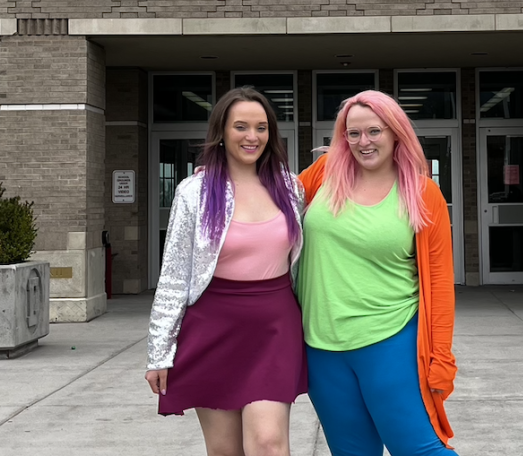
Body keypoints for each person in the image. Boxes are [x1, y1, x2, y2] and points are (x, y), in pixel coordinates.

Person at [146, 87, 307, 456]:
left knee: (268, 443)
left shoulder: (290, 187)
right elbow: (173, 277)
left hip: (274, 328)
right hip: (212, 328)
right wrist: (159, 353)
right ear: (222, 131)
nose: (252, 137)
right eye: (241, 126)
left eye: (261, 127)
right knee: (225, 451)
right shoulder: (194, 191)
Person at [297, 90, 457, 456]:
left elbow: (440, 284)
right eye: (353, 134)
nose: (363, 142)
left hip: (391, 340)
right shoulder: (323, 173)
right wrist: (222, 177)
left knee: (419, 450)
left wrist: (441, 360)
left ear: (395, 131)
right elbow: (271, 197)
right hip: (321, 346)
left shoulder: (422, 193)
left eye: (374, 131)